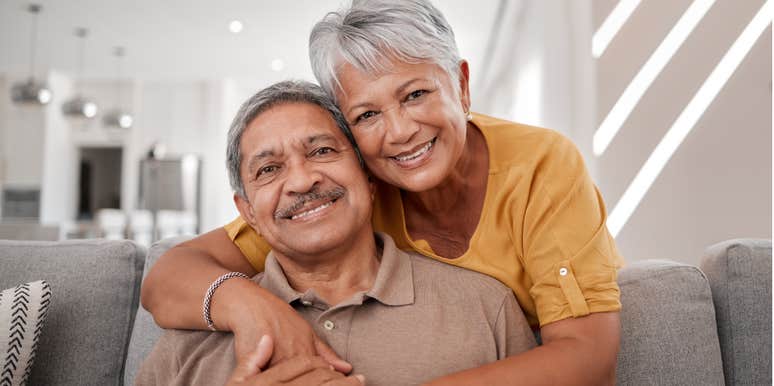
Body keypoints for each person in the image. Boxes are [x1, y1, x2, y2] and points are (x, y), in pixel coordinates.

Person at [141, 0, 624, 384]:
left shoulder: (540, 166)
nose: (399, 132)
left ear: (460, 84)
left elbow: (588, 359)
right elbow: (169, 276)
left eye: (416, 94)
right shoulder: (338, 199)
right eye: (367, 116)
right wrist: (258, 309)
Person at [135, 80, 536, 386]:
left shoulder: (487, 310)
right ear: (248, 213)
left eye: (321, 151)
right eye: (269, 169)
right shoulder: (187, 344)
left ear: (369, 175)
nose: (302, 181)